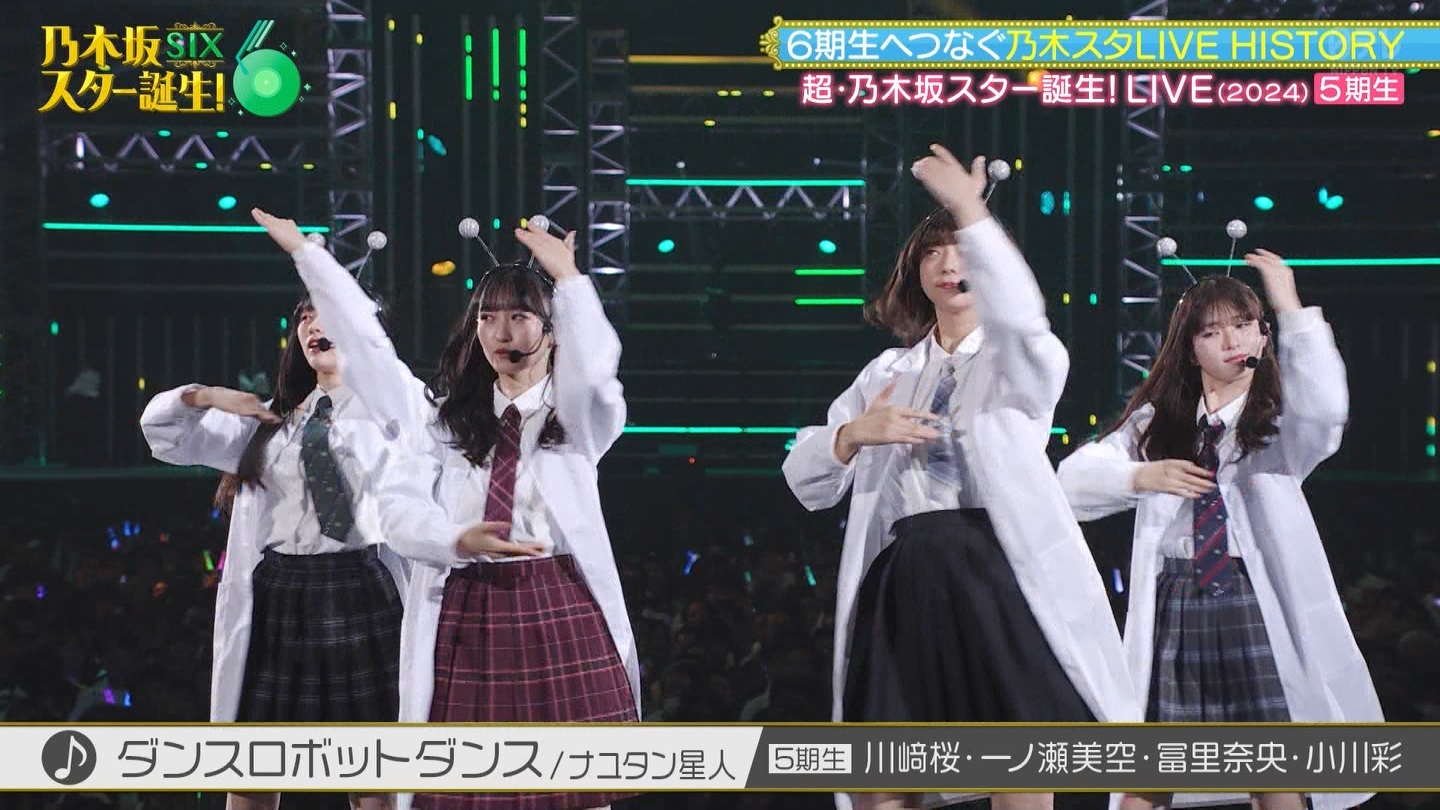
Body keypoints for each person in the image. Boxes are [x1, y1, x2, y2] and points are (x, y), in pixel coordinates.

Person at [782, 146, 1139, 810]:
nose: (949, 265)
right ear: (913, 272)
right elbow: (806, 480)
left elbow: (1024, 322)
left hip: (992, 567)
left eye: (965, 251)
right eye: (932, 253)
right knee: (885, 772)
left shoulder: (1020, 360)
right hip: (906, 572)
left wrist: (973, 212)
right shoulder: (885, 371)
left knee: (1017, 761)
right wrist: (852, 435)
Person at [251, 208, 639, 810]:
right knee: (463, 790)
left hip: (558, 599)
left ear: (553, 329)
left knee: (579, 792)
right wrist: (457, 540)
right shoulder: (443, 421)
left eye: (519, 316)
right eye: (488, 317)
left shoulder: (576, 419)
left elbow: (596, 375)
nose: (502, 332)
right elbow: (398, 506)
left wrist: (570, 282)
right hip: (468, 604)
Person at [1057, 251, 1383, 810]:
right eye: (1211, 331)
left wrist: (1290, 306)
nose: (1231, 340)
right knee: (1149, 773)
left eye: (1243, 325)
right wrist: (1140, 476)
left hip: (1250, 596)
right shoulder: (1158, 423)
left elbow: (1327, 412)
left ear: (1263, 335)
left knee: (1275, 770)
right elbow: (1070, 483)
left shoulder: (1279, 420)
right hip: (1176, 598)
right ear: (1190, 348)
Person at [140, 290, 411, 810]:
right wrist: (207, 396)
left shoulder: (397, 413)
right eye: (306, 317)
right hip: (279, 596)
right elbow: (163, 433)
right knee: (253, 773)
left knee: (374, 781)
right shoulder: (268, 422)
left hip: (361, 591)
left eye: (329, 315)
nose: (314, 326)